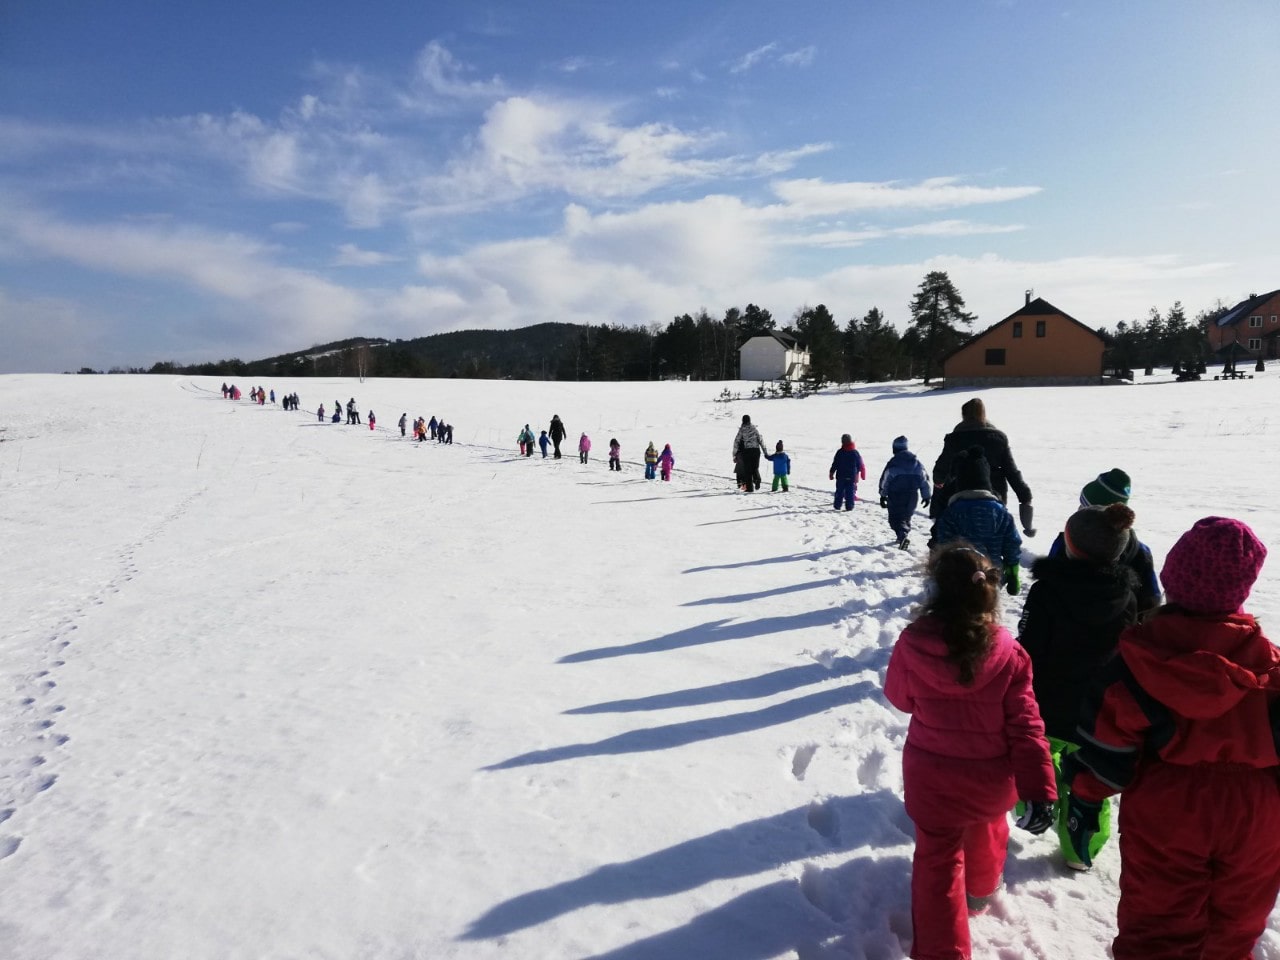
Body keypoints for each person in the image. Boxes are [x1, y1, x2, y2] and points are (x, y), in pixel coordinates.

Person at [1062, 517, 1280, 960]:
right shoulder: (1270, 663)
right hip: (1257, 811)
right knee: (1237, 923)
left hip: (1169, 806)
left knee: (1158, 925)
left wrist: (1085, 792)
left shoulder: (1142, 657)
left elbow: (1108, 746)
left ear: (1174, 578)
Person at [885, 543, 1056, 960]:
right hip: (991, 781)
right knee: (987, 827)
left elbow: (899, 698)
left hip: (933, 780)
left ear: (934, 591)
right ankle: (979, 892)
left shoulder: (913, 642)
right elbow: (1027, 724)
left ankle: (942, 951)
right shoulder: (1010, 653)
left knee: (937, 863)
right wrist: (1040, 786)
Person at [1015, 503, 1139, 870]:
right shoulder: (1127, 597)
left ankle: (1037, 801)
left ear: (1069, 544)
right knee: (1088, 779)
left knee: (1041, 754)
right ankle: (1079, 851)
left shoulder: (1048, 591)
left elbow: (1028, 648)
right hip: (1097, 709)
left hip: (1048, 700)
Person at [1047, 468, 1161, 618]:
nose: (1077, 511)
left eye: (1083, 508)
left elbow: (1047, 584)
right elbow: (1151, 600)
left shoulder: (1065, 541)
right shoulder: (1140, 551)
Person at [932, 398, 1036, 537]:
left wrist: (939, 483)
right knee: (993, 536)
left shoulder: (955, 439)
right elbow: (1012, 472)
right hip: (994, 496)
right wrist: (1024, 496)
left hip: (960, 495)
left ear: (963, 415)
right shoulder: (998, 439)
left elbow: (940, 470)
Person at [932, 447, 1022, 592]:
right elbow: (1012, 543)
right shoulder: (1000, 512)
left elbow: (945, 545)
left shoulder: (951, 513)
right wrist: (1013, 572)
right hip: (992, 575)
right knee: (987, 607)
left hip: (961, 576)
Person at [879, 436, 932, 549]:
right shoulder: (917, 463)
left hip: (896, 495)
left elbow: (886, 479)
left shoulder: (893, 463)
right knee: (906, 517)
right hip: (912, 495)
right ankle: (902, 536)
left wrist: (883, 494)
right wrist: (926, 496)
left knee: (895, 518)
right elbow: (924, 480)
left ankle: (902, 536)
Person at [828, 434, 866, 511]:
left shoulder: (840, 452)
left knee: (839, 491)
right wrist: (857, 473)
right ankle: (849, 506)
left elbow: (835, 463)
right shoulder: (855, 452)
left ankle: (837, 505)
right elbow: (859, 465)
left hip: (841, 476)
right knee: (850, 492)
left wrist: (831, 472)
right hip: (851, 476)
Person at [733, 415, 765, 492]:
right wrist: (765, 452)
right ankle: (757, 479)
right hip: (756, 451)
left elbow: (736, 441)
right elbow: (760, 440)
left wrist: (734, 454)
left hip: (747, 451)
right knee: (755, 467)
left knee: (748, 471)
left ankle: (750, 488)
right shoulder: (754, 429)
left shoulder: (742, 430)